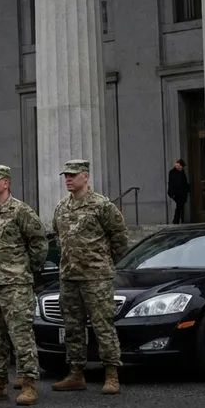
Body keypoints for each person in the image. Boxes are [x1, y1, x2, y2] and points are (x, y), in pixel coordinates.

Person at [0, 165, 48, 405]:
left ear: (6, 183)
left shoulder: (20, 211)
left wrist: (26, 270)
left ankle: (28, 384)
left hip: (15, 284)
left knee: (20, 335)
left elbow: (39, 243)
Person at [51, 159, 130, 395]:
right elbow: (58, 236)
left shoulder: (101, 205)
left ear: (86, 177)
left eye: (73, 175)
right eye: (66, 175)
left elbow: (119, 238)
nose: (68, 179)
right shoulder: (62, 207)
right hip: (69, 276)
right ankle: (76, 373)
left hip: (96, 277)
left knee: (102, 325)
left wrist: (104, 262)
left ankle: (111, 374)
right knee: (72, 327)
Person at [167, 159, 190, 224]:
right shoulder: (173, 172)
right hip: (177, 192)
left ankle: (179, 219)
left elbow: (184, 182)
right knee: (179, 206)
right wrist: (172, 193)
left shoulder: (181, 172)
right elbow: (172, 183)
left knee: (180, 206)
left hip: (182, 192)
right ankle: (177, 220)